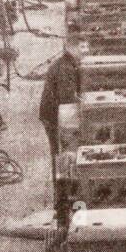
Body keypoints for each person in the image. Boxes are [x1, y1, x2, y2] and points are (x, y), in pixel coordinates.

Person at [38, 39, 82, 186]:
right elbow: (67, 99)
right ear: (71, 49)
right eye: (82, 47)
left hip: (52, 113)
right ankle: (61, 192)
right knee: (61, 153)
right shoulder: (66, 68)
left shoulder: (66, 63)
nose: (85, 50)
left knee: (60, 152)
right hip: (53, 117)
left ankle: (61, 185)